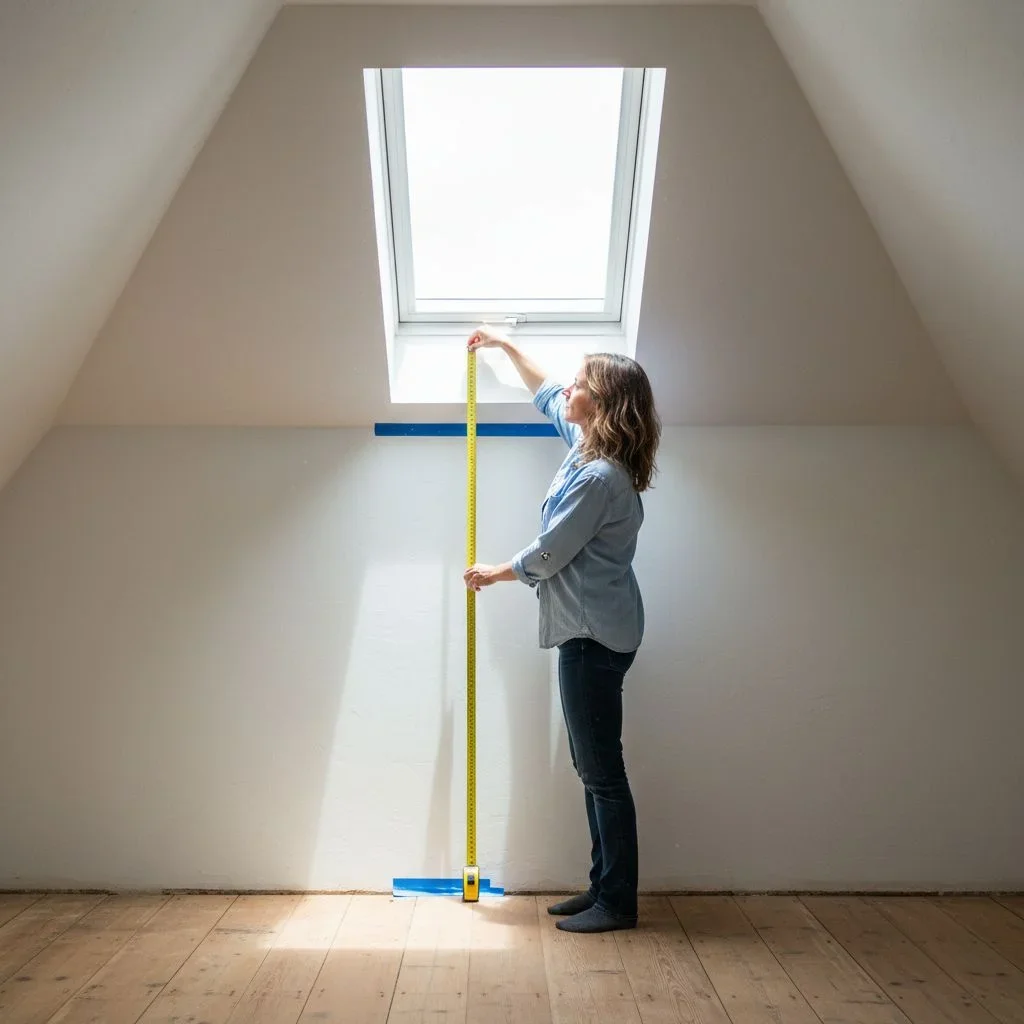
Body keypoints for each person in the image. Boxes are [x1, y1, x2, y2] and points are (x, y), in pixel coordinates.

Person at [463, 325, 662, 933]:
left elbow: (552, 552)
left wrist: (495, 573)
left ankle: (616, 903)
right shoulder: (586, 449)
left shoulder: (600, 478)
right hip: (596, 629)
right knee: (592, 768)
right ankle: (602, 887)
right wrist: (500, 344)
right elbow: (545, 388)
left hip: (594, 638)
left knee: (603, 773)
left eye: (583, 385)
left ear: (602, 405)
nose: (569, 389)